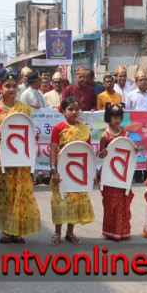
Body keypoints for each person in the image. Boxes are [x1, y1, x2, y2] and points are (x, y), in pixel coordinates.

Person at [0, 69, 41, 242]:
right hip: (0, 158)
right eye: (7, 86)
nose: (11, 89)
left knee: (20, 192)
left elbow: (28, 130)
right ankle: (6, 229)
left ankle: (18, 229)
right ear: (0, 88)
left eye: (14, 86)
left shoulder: (24, 109)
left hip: (20, 157)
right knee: (4, 193)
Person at [48, 97, 95, 245]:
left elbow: (88, 151)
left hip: (78, 172)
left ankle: (70, 233)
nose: (74, 112)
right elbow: (53, 149)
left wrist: (91, 172)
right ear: (63, 111)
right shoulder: (58, 128)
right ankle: (57, 233)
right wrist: (53, 170)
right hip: (62, 170)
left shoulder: (84, 129)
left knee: (76, 200)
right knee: (60, 201)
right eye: (70, 109)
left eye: (76, 109)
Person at [98, 102, 132, 240]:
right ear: (108, 117)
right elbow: (100, 154)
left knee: (123, 201)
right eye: (114, 117)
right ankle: (110, 230)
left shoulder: (125, 133)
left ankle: (123, 231)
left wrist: (134, 150)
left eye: (119, 117)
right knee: (111, 203)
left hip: (122, 173)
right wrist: (103, 153)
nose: (117, 120)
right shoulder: (104, 136)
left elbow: (128, 152)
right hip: (109, 173)